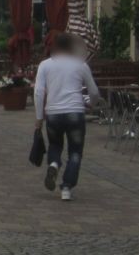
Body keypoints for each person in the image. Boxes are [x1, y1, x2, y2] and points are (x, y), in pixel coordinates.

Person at [34, 32, 99, 201]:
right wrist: (91, 104)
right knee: (75, 151)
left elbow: (39, 92)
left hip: (53, 113)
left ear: (55, 46)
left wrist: (39, 117)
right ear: (71, 47)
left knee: (55, 145)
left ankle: (54, 164)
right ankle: (67, 188)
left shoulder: (45, 65)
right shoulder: (81, 64)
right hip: (75, 112)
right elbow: (94, 91)